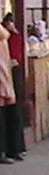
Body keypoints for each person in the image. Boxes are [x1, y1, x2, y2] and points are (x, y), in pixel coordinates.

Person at [1, 14, 25, 161]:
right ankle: (9, 150)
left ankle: (11, 149)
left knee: (11, 114)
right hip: (5, 75)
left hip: (7, 74)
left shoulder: (8, 36)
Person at [0, 19, 17, 164]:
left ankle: (8, 149)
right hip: (3, 77)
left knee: (7, 116)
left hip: (5, 75)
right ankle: (4, 150)